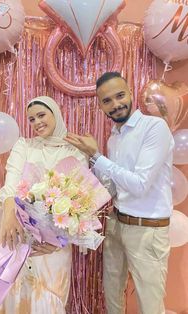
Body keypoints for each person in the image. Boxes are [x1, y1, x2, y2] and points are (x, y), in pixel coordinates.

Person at [65, 72, 174, 314]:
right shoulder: (115, 137)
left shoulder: (155, 127)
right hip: (116, 223)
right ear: (101, 105)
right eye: (107, 101)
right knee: (112, 294)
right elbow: (113, 187)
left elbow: (139, 185)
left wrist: (97, 156)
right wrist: (83, 168)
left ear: (131, 92)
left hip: (148, 229)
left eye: (120, 95)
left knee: (150, 304)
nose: (115, 104)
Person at [0, 96, 88, 314]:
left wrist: (60, 241)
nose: (36, 122)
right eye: (31, 119)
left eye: (41, 115)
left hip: (54, 243)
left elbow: (81, 204)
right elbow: (12, 182)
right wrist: (8, 209)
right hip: (21, 236)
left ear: (55, 113)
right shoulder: (24, 145)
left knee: (49, 298)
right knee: (16, 297)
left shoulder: (74, 151)